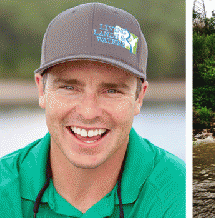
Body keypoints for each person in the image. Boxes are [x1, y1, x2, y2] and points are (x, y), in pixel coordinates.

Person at [0, 3, 185, 217]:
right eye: (69, 87)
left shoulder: (178, 192)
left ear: (139, 97)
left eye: (112, 90)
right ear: (41, 89)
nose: (89, 112)